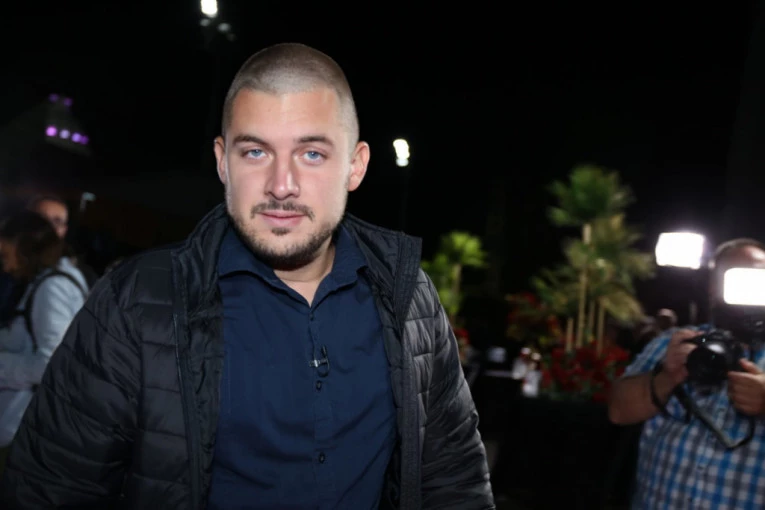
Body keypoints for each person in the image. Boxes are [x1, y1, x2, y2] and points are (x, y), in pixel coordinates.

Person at [0, 43, 494, 509]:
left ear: (355, 166)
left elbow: (454, 482)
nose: (281, 185)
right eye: (255, 151)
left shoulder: (410, 300)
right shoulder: (136, 304)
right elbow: (50, 491)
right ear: (222, 162)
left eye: (312, 153)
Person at [609, 238, 765, 509]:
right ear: (713, 286)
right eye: (735, 276)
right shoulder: (674, 341)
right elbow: (618, 411)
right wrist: (667, 377)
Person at [0, 211, 88, 473]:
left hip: (24, 429)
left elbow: (52, 362)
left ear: (25, 249)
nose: (5, 266)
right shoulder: (57, 278)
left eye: (5, 255)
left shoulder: (52, 287)